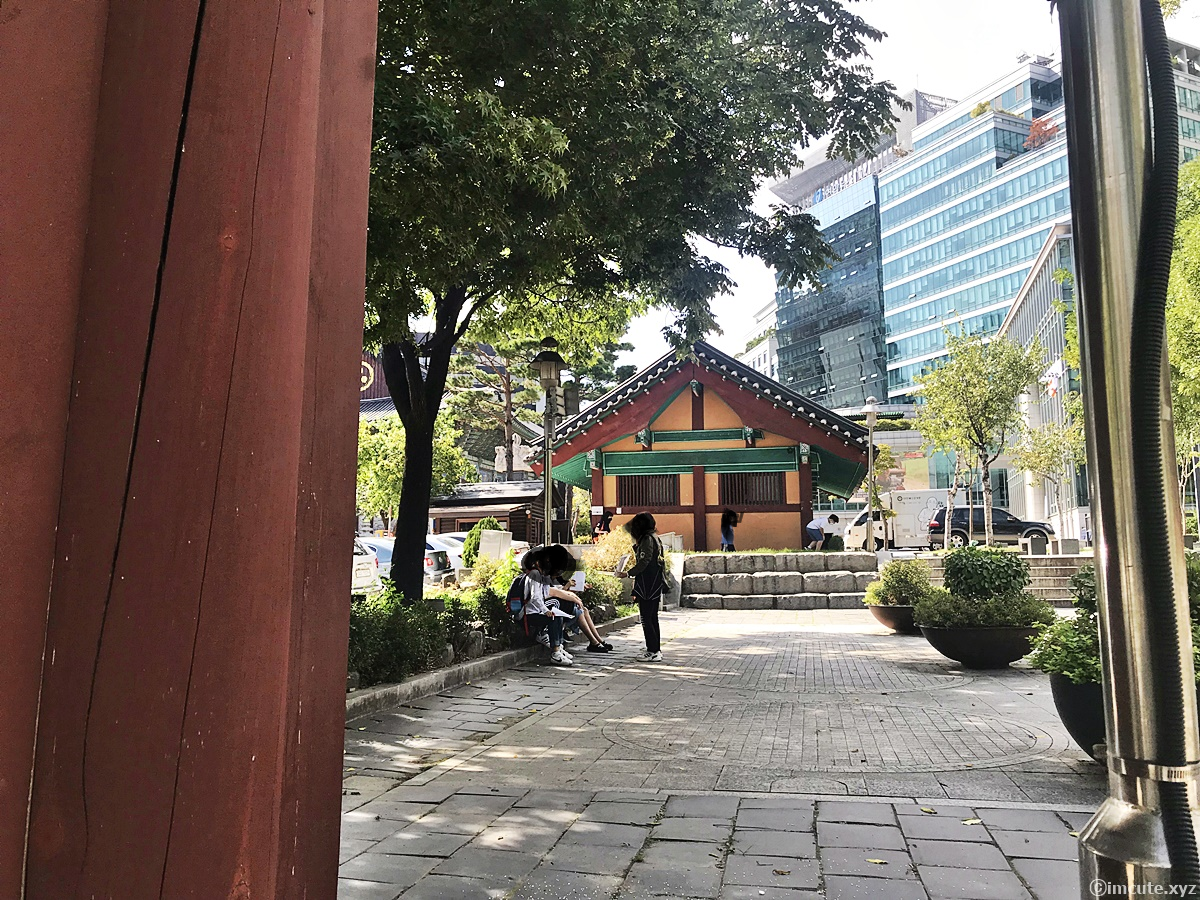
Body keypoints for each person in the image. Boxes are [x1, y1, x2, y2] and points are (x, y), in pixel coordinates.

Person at [524, 546, 613, 654]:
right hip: (536, 608)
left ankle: (598, 641)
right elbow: (549, 594)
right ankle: (592, 642)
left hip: (542, 605)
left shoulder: (543, 575)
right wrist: (569, 594)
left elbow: (554, 591)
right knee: (577, 609)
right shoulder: (536, 575)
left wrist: (573, 591)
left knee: (582, 609)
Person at [624, 513, 666, 662]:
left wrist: (628, 573)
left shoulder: (647, 539)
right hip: (654, 582)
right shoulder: (654, 537)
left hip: (648, 583)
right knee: (652, 617)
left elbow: (644, 561)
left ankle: (652, 650)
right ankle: (655, 649)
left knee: (646, 618)